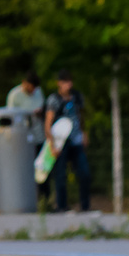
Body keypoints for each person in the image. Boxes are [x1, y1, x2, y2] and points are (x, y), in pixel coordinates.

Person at [44, 70, 90, 213]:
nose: (68, 85)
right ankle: (62, 206)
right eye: (65, 82)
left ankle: (85, 206)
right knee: (60, 175)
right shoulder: (54, 99)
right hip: (60, 142)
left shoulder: (76, 97)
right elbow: (48, 123)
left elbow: (82, 116)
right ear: (59, 83)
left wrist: (84, 133)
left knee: (84, 173)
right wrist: (51, 145)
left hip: (76, 140)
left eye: (70, 81)